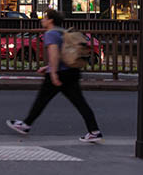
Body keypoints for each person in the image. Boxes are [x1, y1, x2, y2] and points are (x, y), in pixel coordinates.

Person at [7, 8, 102, 144]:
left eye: (45, 17)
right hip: (72, 71)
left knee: (42, 99)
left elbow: (54, 54)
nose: (43, 20)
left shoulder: (51, 34)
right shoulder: (62, 32)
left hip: (60, 73)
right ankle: (94, 131)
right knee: (80, 102)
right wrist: (48, 67)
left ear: (50, 20)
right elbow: (65, 54)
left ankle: (26, 124)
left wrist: (53, 73)